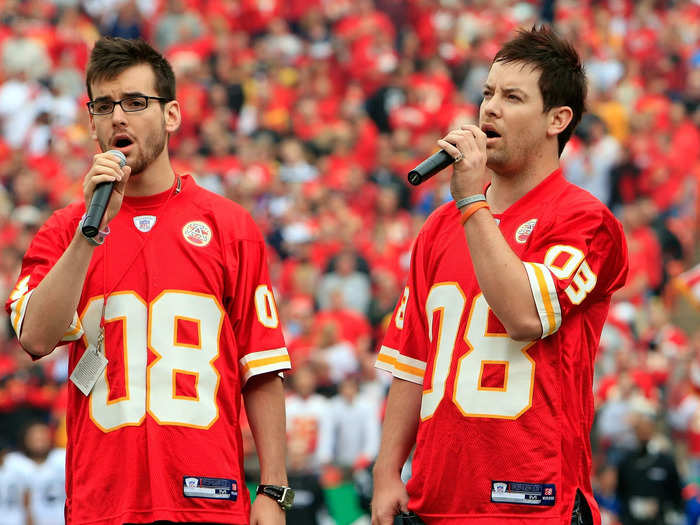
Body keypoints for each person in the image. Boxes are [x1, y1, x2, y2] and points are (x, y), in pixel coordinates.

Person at [5, 37, 292, 525]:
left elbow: (260, 367)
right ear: (91, 122)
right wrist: (88, 234)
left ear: (171, 115)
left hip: (208, 497)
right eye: (104, 105)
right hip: (104, 500)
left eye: (136, 103)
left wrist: (273, 488)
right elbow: (35, 337)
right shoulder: (65, 229)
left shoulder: (229, 225)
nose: (119, 117)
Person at [372, 26, 629, 525]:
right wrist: (387, 470)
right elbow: (412, 361)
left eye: (512, 97)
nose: (489, 108)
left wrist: (470, 201)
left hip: (531, 503)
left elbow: (524, 316)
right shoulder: (439, 227)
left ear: (558, 119)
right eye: (488, 93)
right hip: (435, 500)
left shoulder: (585, 220)